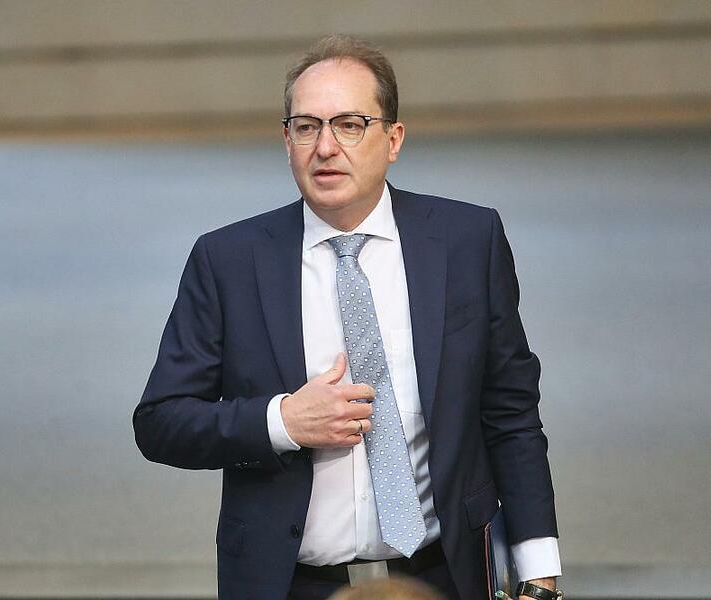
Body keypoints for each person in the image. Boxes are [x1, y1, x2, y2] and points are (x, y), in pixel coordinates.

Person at [134, 34, 562, 600]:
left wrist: (538, 570)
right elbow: (161, 422)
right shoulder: (229, 260)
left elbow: (511, 413)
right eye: (306, 127)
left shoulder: (467, 241)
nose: (325, 147)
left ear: (393, 139)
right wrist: (282, 422)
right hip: (290, 583)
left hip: (446, 576)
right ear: (286, 141)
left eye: (350, 125)